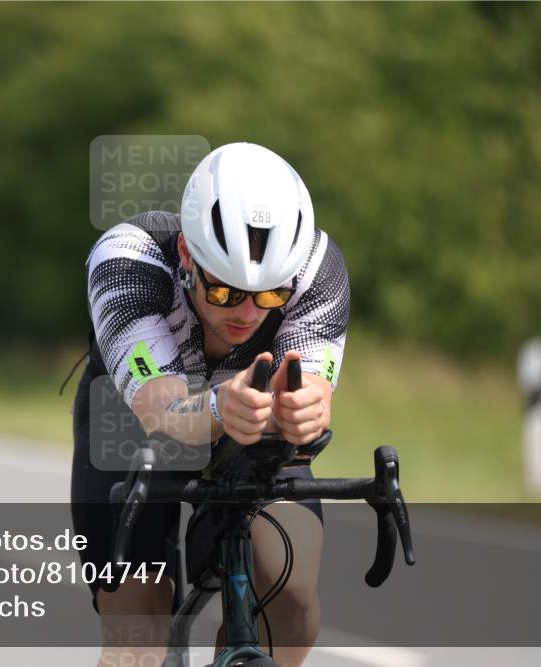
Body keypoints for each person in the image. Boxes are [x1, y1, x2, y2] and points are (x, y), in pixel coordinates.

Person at [70, 142, 350, 666]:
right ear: (186, 254)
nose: (247, 314)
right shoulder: (127, 261)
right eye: (225, 293)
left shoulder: (317, 268)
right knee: (137, 638)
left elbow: (314, 391)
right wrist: (221, 406)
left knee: (291, 603)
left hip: (252, 418)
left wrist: (304, 411)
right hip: (131, 419)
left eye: (270, 296)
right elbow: (162, 413)